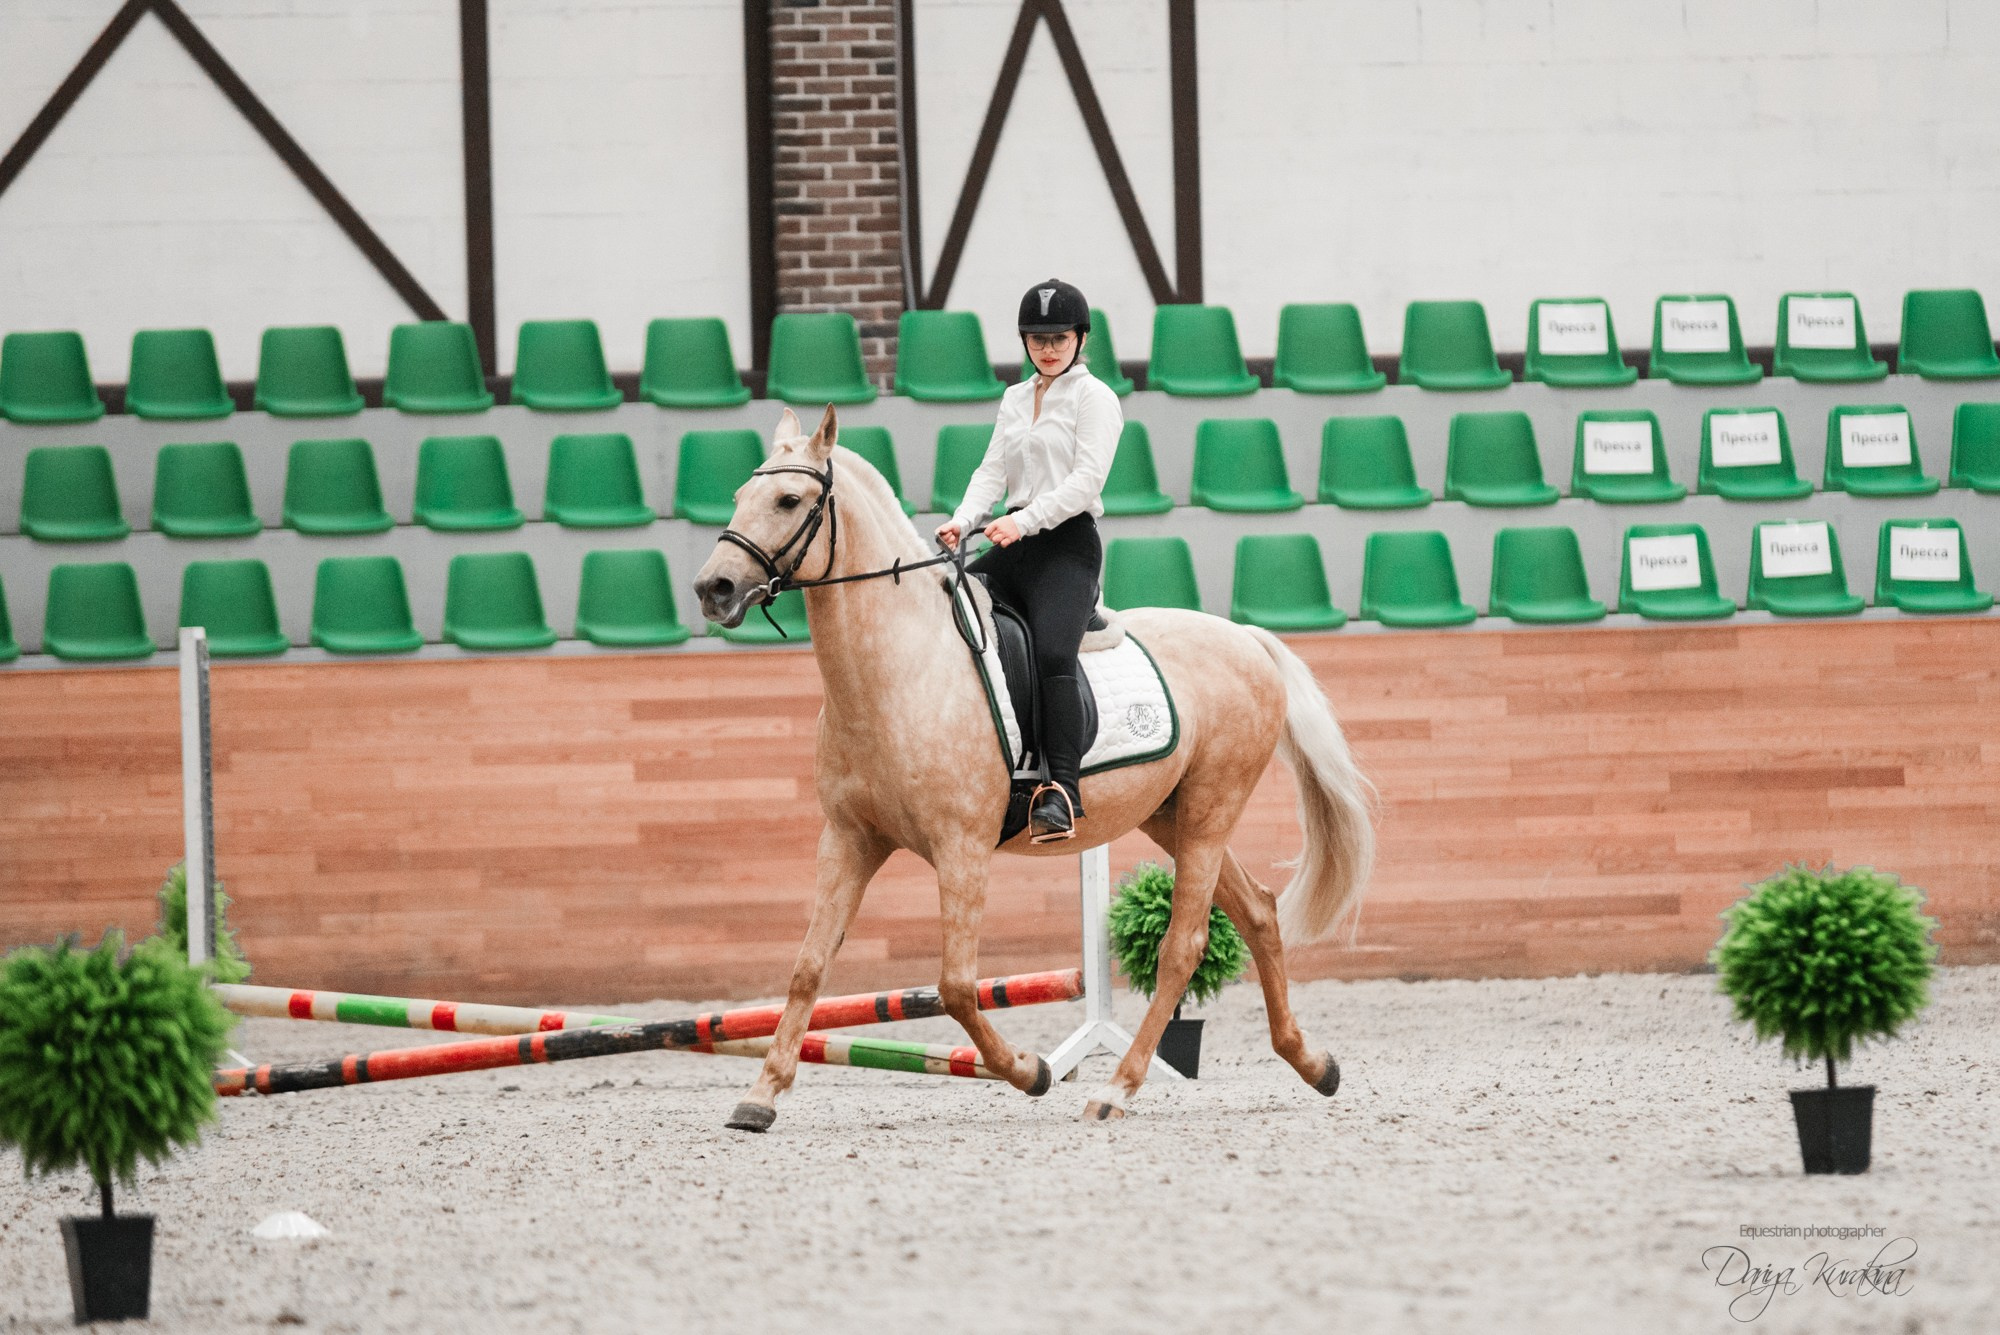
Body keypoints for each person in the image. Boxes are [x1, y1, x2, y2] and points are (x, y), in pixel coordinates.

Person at [937, 278, 1121, 842]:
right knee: (947, 613)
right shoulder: (1015, 399)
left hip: (1065, 543)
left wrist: (1023, 521)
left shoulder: (1096, 399)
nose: (1048, 348)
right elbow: (991, 472)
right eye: (1037, 338)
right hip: (1013, 541)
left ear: (1079, 338)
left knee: (1049, 648)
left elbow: (1087, 480)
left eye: (1059, 337)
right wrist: (963, 519)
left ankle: (1061, 791)